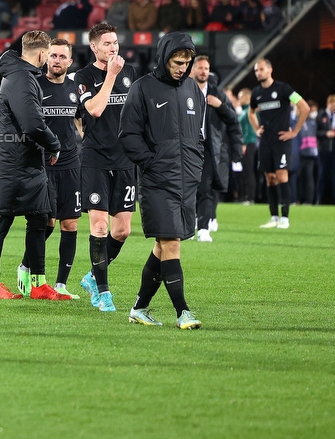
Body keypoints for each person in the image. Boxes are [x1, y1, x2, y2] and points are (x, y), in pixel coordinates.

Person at [119, 32, 204, 330]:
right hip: (158, 182)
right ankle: (183, 312)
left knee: (163, 246)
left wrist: (196, 164)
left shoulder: (194, 89)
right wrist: (151, 163)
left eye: (187, 62)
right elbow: (128, 135)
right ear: (164, 57)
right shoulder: (142, 89)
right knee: (171, 244)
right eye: (177, 62)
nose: (182, 67)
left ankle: (139, 308)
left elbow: (198, 135)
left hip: (187, 181)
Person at [0, 32, 66, 301]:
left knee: (40, 218)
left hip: (27, 161)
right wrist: (53, 144)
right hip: (12, 162)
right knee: (1, 220)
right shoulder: (20, 78)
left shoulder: (22, 74)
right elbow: (31, 123)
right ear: (42, 54)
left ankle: (37, 283)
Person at [77, 23, 138, 312]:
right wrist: (111, 76)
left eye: (115, 42)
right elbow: (96, 110)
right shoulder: (84, 76)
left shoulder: (131, 74)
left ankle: (91, 276)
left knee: (122, 230)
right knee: (100, 226)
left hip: (125, 160)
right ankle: (103, 292)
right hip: (96, 160)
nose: (113, 48)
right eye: (107, 43)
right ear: (94, 47)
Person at [37, 38, 83, 298]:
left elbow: (79, 119)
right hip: (43, 165)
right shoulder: (36, 85)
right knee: (48, 222)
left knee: (70, 224)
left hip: (70, 164)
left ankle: (62, 284)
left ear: (70, 61)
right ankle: (28, 267)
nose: (57, 60)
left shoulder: (75, 88)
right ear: (46, 58)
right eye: (53, 56)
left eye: (62, 57)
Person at [248, 59, 310, 229]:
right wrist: (256, 129)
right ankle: (274, 216)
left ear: (270, 70)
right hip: (266, 141)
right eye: (256, 70)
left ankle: (285, 218)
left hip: (282, 140)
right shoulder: (256, 93)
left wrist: (295, 132)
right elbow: (251, 113)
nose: (258, 73)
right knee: (270, 178)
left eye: (261, 69)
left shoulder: (284, 89)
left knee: (282, 176)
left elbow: (304, 107)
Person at [190, 56, 241, 242]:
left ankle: (203, 228)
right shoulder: (184, 91)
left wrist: (220, 106)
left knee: (205, 188)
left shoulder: (218, 94)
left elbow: (233, 119)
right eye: (200, 68)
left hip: (209, 146)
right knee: (187, 189)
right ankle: (189, 226)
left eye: (206, 68)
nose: (203, 71)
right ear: (193, 70)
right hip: (187, 147)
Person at [316, 94, 335, 205]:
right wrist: (325, 134)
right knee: (322, 175)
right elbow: (316, 132)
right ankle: (319, 199)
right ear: (328, 104)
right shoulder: (320, 115)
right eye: (333, 105)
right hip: (324, 150)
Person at [236, 88, 258, 204]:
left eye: (241, 97)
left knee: (249, 171)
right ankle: (246, 196)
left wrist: (244, 143)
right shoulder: (245, 111)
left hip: (249, 144)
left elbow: (249, 130)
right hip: (247, 144)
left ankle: (250, 197)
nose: (239, 99)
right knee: (246, 171)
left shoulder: (250, 110)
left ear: (248, 97)